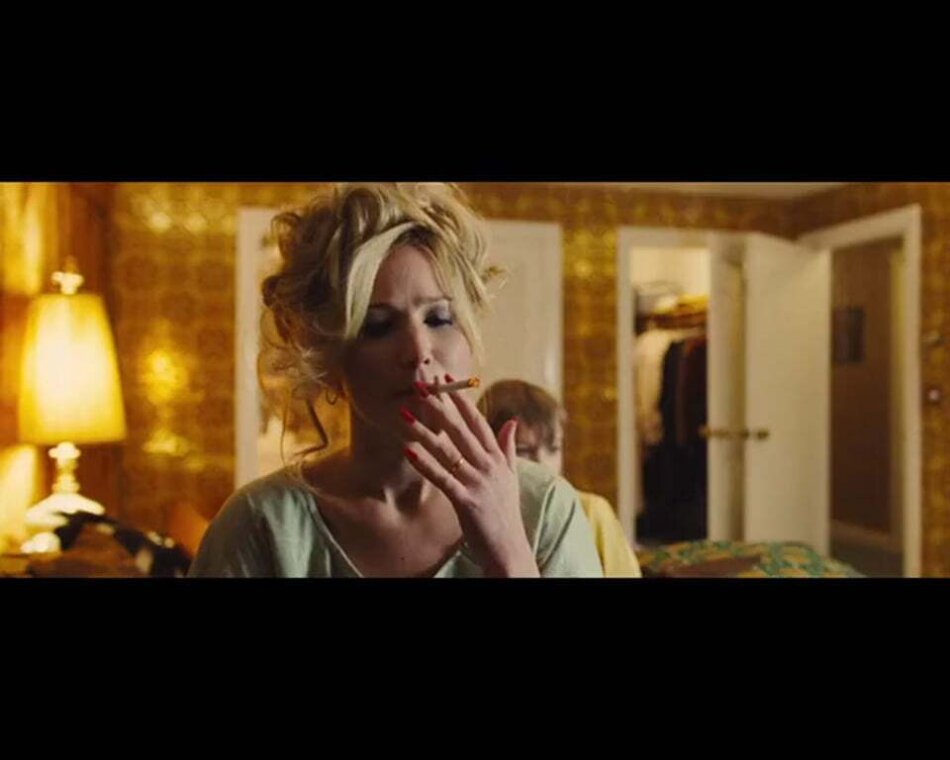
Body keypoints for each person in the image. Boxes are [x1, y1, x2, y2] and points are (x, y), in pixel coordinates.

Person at [189, 183, 602, 577]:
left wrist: (510, 553)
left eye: (439, 318)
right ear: (329, 357)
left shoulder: (544, 508)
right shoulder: (259, 526)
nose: (418, 350)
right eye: (379, 326)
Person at [477, 380, 642, 577]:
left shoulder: (592, 512)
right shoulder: (474, 518)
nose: (543, 465)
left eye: (554, 448)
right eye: (523, 451)